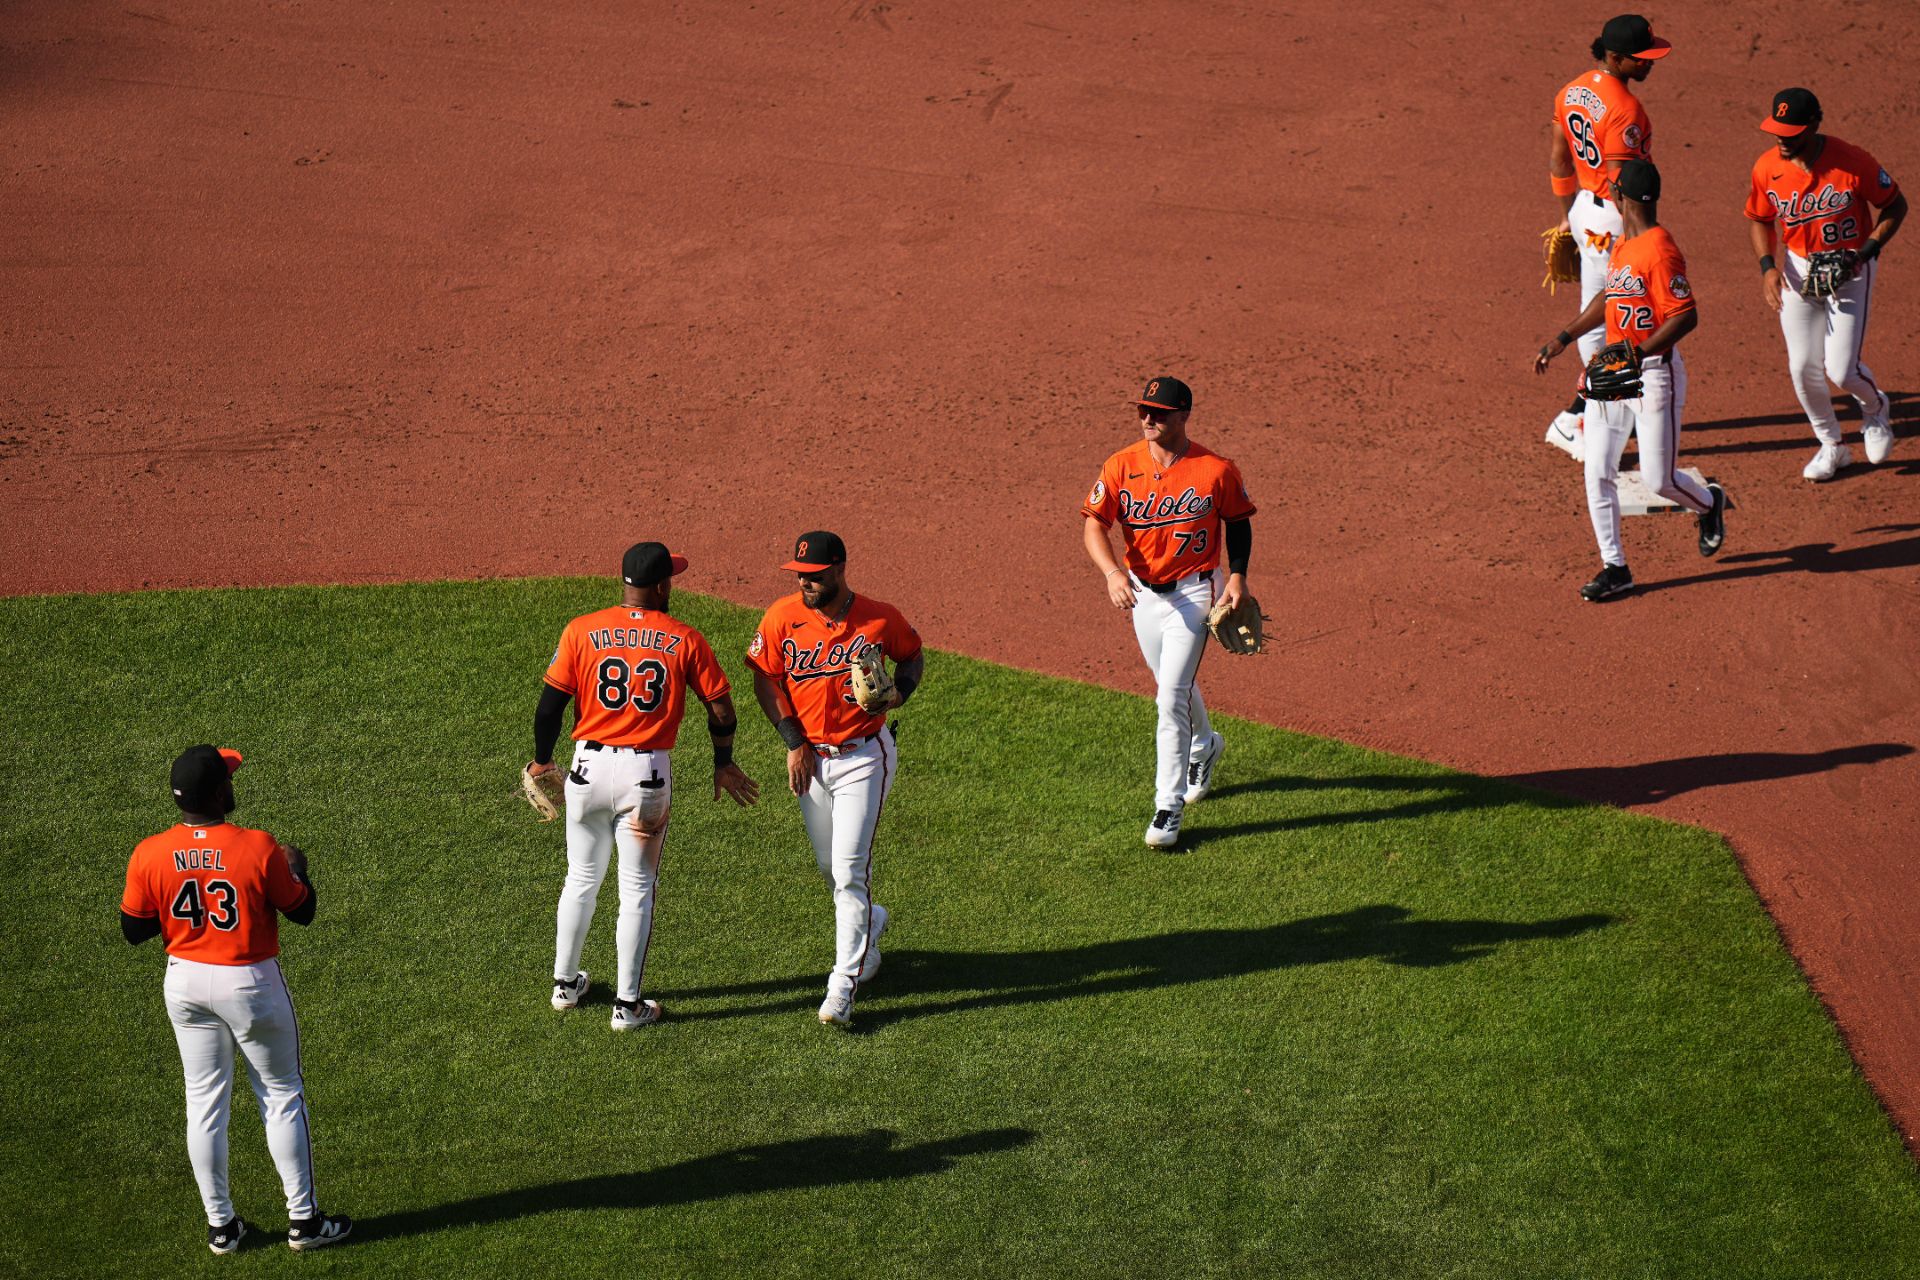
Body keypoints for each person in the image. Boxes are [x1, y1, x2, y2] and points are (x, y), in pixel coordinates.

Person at [120, 745, 351, 1254]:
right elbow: (302, 911)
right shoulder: (259, 847)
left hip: (184, 983)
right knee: (281, 1092)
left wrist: (185, 898)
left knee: (203, 1103)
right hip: (249, 983)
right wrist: (298, 870)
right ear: (221, 793)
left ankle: (222, 1227)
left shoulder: (149, 852)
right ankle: (304, 1222)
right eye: (229, 777)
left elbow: (133, 930)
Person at [528, 541, 759, 1030]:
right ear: (660, 586)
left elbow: (549, 706)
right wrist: (724, 761)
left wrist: (541, 761)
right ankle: (628, 1006)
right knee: (636, 889)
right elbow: (720, 708)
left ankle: (565, 985)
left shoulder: (581, 630)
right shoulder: (684, 638)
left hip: (585, 770)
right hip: (645, 777)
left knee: (580, 879)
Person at [746, 531, 924, 1027]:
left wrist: (899, 696)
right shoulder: (782, 617)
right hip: (812, 761)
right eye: (800, 574)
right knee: (830, 869)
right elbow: (764, 676)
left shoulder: (879, 617)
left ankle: (841, 989)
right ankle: (871, 925)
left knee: (849, 872)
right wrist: (793, 742)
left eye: (816, 576)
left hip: (865, 757)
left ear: (841, 570)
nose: (806, 582)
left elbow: (912, 655)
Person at [1535, 159, 1727, 602]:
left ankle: (1708, 503)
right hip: (1616, 374)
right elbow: (1610, 294)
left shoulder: (1660, 250)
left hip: (1654, 376)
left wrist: (1636, 354)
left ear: (1622, 198)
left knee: (1659, 480)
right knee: (1597, 470)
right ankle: (1615, 567)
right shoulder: (1625, 242)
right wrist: (1564, 337)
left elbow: (1685, 316)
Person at [1081, 375, 1258, 848]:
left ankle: (1167, 806)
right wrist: (1111, 574)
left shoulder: (1215, 469)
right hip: (1142, 594)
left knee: (1169, 696)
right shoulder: (1121, 465)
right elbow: (1094, 526)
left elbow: (1237, 523)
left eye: (1159, 412)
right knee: (1171, 687)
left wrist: (1237, 576)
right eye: (1144, 410)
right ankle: (1206, 744)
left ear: (1183, 416)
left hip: (1196, 592)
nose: (1148, 418)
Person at [1744, 87, 1906, 481]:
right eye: (1777, 130)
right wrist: (1767, 266)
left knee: (1841, 370)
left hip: (1850, 270)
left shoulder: (1852, 161)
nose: (1782, 139)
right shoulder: (1768, 167)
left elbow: (1895, 205)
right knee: (1802, 368)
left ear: (1815, 124)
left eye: (1792, 131)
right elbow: (1759, 218)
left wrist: (1864, 254)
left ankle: (1875, 411)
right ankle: (1832, 445)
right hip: (1798, 272)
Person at [1543, 13, 1672, 462]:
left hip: (1583, 211)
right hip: (1616, 220)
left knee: (1597, 305)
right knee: (1628, 311)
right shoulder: (1625, 109)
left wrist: (1568, 220)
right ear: (1616, 58)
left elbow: (1560, 161)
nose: (1650, 63)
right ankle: (1576, 416)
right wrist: (1641, 238)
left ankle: (1595, 408)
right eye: (1642, 58)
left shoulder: (1570, 90)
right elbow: (1622, 185)